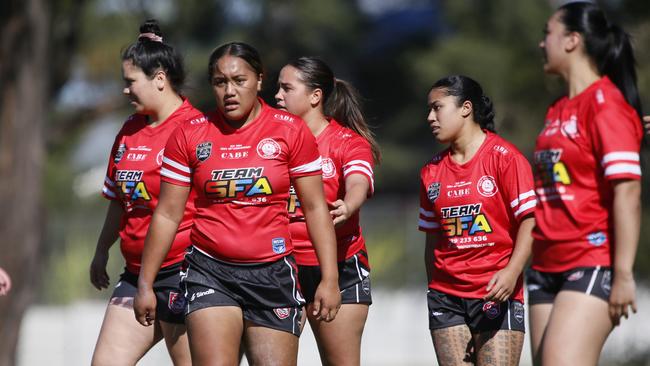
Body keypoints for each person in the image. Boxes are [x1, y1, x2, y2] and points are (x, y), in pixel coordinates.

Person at [133, 42, 341, 366]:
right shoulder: (190, 134)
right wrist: (146, 282)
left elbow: (315, 208)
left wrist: (329, 278)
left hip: (273, 273)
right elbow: (168, 213)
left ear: (259, 80)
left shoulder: (290, 131)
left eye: (239, 80)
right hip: (209, 272)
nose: (229, 91)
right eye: (220, 82)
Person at [528, 3, 643, 365]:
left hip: (591, 261)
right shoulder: (557, 108)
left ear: (572, 40)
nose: (542, 44)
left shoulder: (606, 104)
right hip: (544, 266)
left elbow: (628, 191)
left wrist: (623, 273)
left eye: (548, 33)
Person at [89, 19, 200, 366]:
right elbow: (121, 201)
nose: (125, 90)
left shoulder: (196, 129)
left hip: (184, 274)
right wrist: (101, 251)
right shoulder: (129, 130)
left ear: (160, 79)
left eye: (130, 82)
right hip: (136, 275)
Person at [419, 75, 536, 366]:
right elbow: (432, 238)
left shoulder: (505, 159)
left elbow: (530, 222)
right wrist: (434, 285)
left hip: (496, 293)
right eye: (429, 110)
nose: (430, 117)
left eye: (437, 108)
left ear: (465, 108)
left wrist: (511, 272)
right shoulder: (430, 171)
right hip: (446, 298)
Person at [275, 57, 380, 365]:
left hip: (340, 267)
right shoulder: (271, 141)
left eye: (286, 88)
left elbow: (359, 180)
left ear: (315, 96)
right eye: (277, 88)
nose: (277, 96)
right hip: (280, 268)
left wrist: (349, 203)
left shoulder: (347, 142)